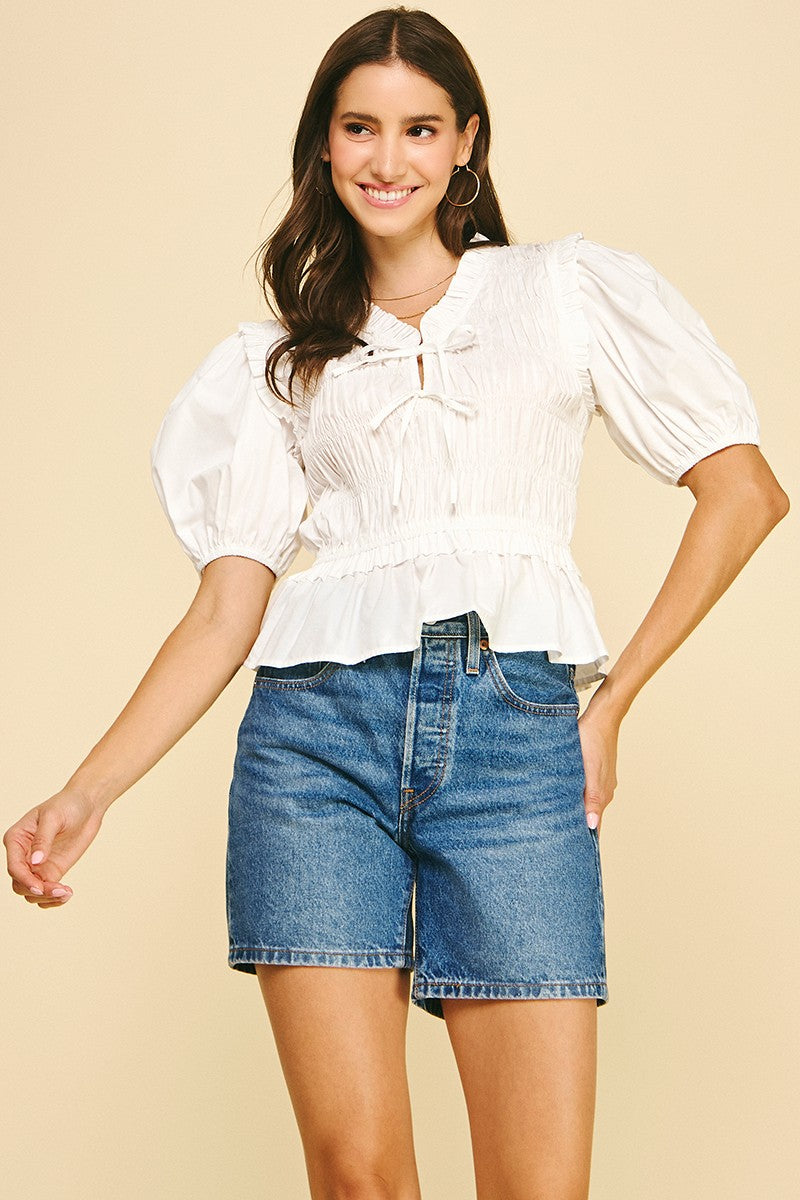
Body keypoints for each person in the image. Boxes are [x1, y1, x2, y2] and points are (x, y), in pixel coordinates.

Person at [4, 7, 789, 1199]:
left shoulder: (561, 292)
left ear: (465, 141)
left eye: (419, 129)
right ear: (323, 145)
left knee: (537, 1188)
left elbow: (742, 493)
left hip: (515, 748)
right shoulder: (280, 362)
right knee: (356, 1178)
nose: (387, 158)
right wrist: (85, 791)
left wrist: (611, 700)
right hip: (312, 752)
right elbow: (225, 608)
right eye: (359, 128)